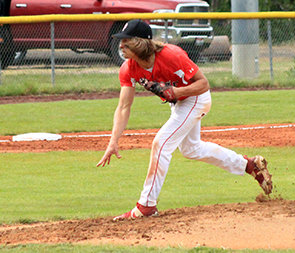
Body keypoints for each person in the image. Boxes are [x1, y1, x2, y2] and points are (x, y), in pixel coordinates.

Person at [96, 19, 273, 220]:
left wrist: (177, 91)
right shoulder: (128, 68)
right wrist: (113, 141)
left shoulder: (172, 55)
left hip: (196, 98)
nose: (120, 45)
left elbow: (204, 84)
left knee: (161, 144)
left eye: (126, 41)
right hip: (180, 103)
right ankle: (250, 166)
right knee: (191, 149)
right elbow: (123, 106)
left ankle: (146, 206)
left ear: (140, 43)